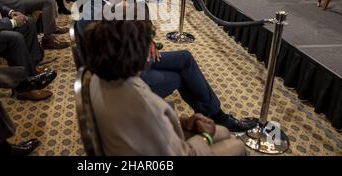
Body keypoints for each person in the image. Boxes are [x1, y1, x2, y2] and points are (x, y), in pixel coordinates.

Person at [76, 0, 256, 133]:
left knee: (185, 57)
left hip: (130, 62)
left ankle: (214, 114)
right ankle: (217, 116)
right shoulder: (98, 15)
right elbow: (116, 60)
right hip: (126, 78)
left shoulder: (97, 3)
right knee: (179, 78)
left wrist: (148, 42)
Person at [86, 19, 246, 156]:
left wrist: (183, 122)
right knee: (237, 146)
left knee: (224, 131)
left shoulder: (96, 78)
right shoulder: (145, 103)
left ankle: (216, 118)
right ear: (137, 58)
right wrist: (206, 137)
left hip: (133, 137)